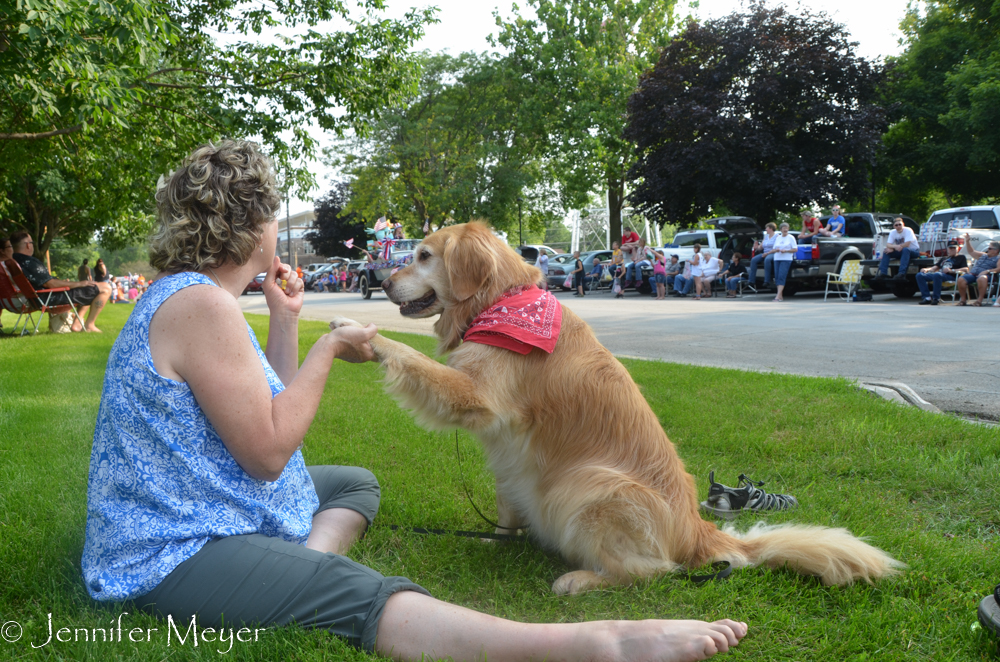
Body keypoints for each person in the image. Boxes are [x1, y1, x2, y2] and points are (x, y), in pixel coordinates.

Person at [81, 140, 747, 661]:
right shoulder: (202, 305)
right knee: (360, 595)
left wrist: (285, 322)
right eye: (272, 215)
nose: (276, 229)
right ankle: (584, 646)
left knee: (354, 486)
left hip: (203, 502)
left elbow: (268, 409)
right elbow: (267, 452)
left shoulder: (196, 296)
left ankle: (295, 568)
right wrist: (325, 350)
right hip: (170, 551)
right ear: (249, 223)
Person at [9, 230, 112, 332]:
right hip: (50, 297)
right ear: (27, 245)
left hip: (39, 298)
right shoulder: (29, 262)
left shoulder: (15, 261)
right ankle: (89, 325)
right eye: (32, 243)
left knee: (88, 287)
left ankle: (77, 322)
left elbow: (46, 282)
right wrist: (80, 283)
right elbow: (50, 284)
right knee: (105, 288)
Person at [916, 241, 967, 305]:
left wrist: (951, 270)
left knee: (937, 274)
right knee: (920, 275)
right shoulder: (944, 258)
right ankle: (927, 298)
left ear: (958, 249)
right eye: (950, 248)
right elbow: (935, 267)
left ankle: (936, 298)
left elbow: (965, 269)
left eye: (954, 248)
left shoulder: (961, 257)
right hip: (938, 275)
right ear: (947, 249)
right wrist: (926, 269)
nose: (952, 250)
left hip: (951, 276)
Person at [955, 236, 1000, 306]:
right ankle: (963, 300)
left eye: (990, 248)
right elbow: (971, 251)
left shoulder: (998, 258)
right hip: (973, 274)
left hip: (987, 275)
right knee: (961, 279)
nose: (988, 250)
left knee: (982, 278)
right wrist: (967, 241)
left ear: (996, 250)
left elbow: (998, 269)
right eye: (988, 248)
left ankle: (979, 301)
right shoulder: (983, 255)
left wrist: (987, 271)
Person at [747, 223, 778, 289]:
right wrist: (756, 247)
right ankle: (751, 280)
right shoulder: (766, 236)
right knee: (754, 260)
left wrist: (767, 254)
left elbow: (776, 248)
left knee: (767, 260)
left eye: (767, 228)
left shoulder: (777, 236)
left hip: (773, 253)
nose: (766, 229)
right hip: (765, 253)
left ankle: (767, 281)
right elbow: (761, 247)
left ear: (771, 228)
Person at [771, 223, 797, 302]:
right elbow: (774, 249)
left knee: (782, 276)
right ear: (780, 229)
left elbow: (795, 249)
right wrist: (777, 250)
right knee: (777, 277)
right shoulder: (778, 238)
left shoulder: (791, 237)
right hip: (777, 258)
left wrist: (786, 250)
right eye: (783, 228)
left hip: (786, 258)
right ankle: (780, 296)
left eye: (786, 228)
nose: (785, 229)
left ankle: (777, 296)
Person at [0, 235, 12, 330]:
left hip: (4, 301)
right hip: (15, 300)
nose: (12, 249)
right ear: (2, 250)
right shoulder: (8, 267)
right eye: (10, 246)